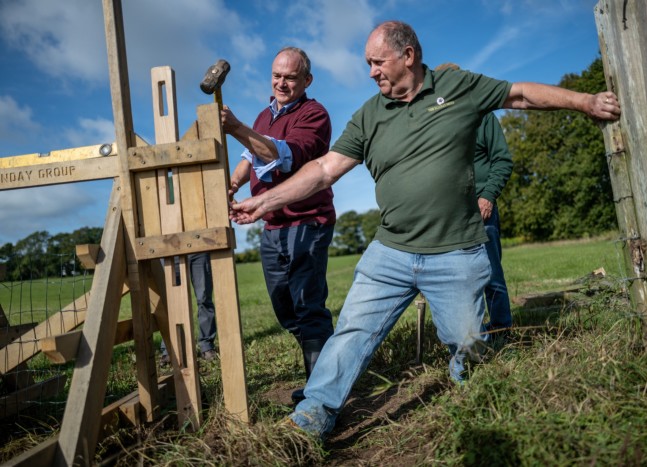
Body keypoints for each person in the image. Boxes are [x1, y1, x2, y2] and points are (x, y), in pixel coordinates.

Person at [230, 21, 621, 439]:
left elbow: (520, 94)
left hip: (455, 250)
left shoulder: (457, 87)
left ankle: (465, 379)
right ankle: (315, 412)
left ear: (408, 56)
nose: (371, 72)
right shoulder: (369, 115)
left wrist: (584, 101)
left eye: (377, 62)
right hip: (391, 250)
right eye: (367, 64)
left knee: (469, 344)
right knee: (351, 332)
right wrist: (264, 201)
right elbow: (324, 169)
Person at [221, 47, 335, 403]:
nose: (281, 83)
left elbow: (280, 156)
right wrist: (234, 183)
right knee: (284, 308)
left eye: (289, 77)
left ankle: (321, 390)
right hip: (272, 226)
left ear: (306, 81)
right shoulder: (262, 116)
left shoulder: (314, 114)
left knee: (308, 304)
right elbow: (249, 157)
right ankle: (330, 366)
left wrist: (236, 127)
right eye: (276, 75)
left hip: (308, 221)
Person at [437, 61, 514, 332]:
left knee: (490, 274)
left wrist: (487, 195)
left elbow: (502, 160)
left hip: (480, 209)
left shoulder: (484, 118)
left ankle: (502, 330)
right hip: (449, 214)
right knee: (457, 278)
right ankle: (471, 335)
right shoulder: (436, 125)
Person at [160, 252, 218, 365]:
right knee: (171, 303)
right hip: (169, 249)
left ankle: (207, 346)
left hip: (199, 248)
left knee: (204, 298)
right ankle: (169, 349)